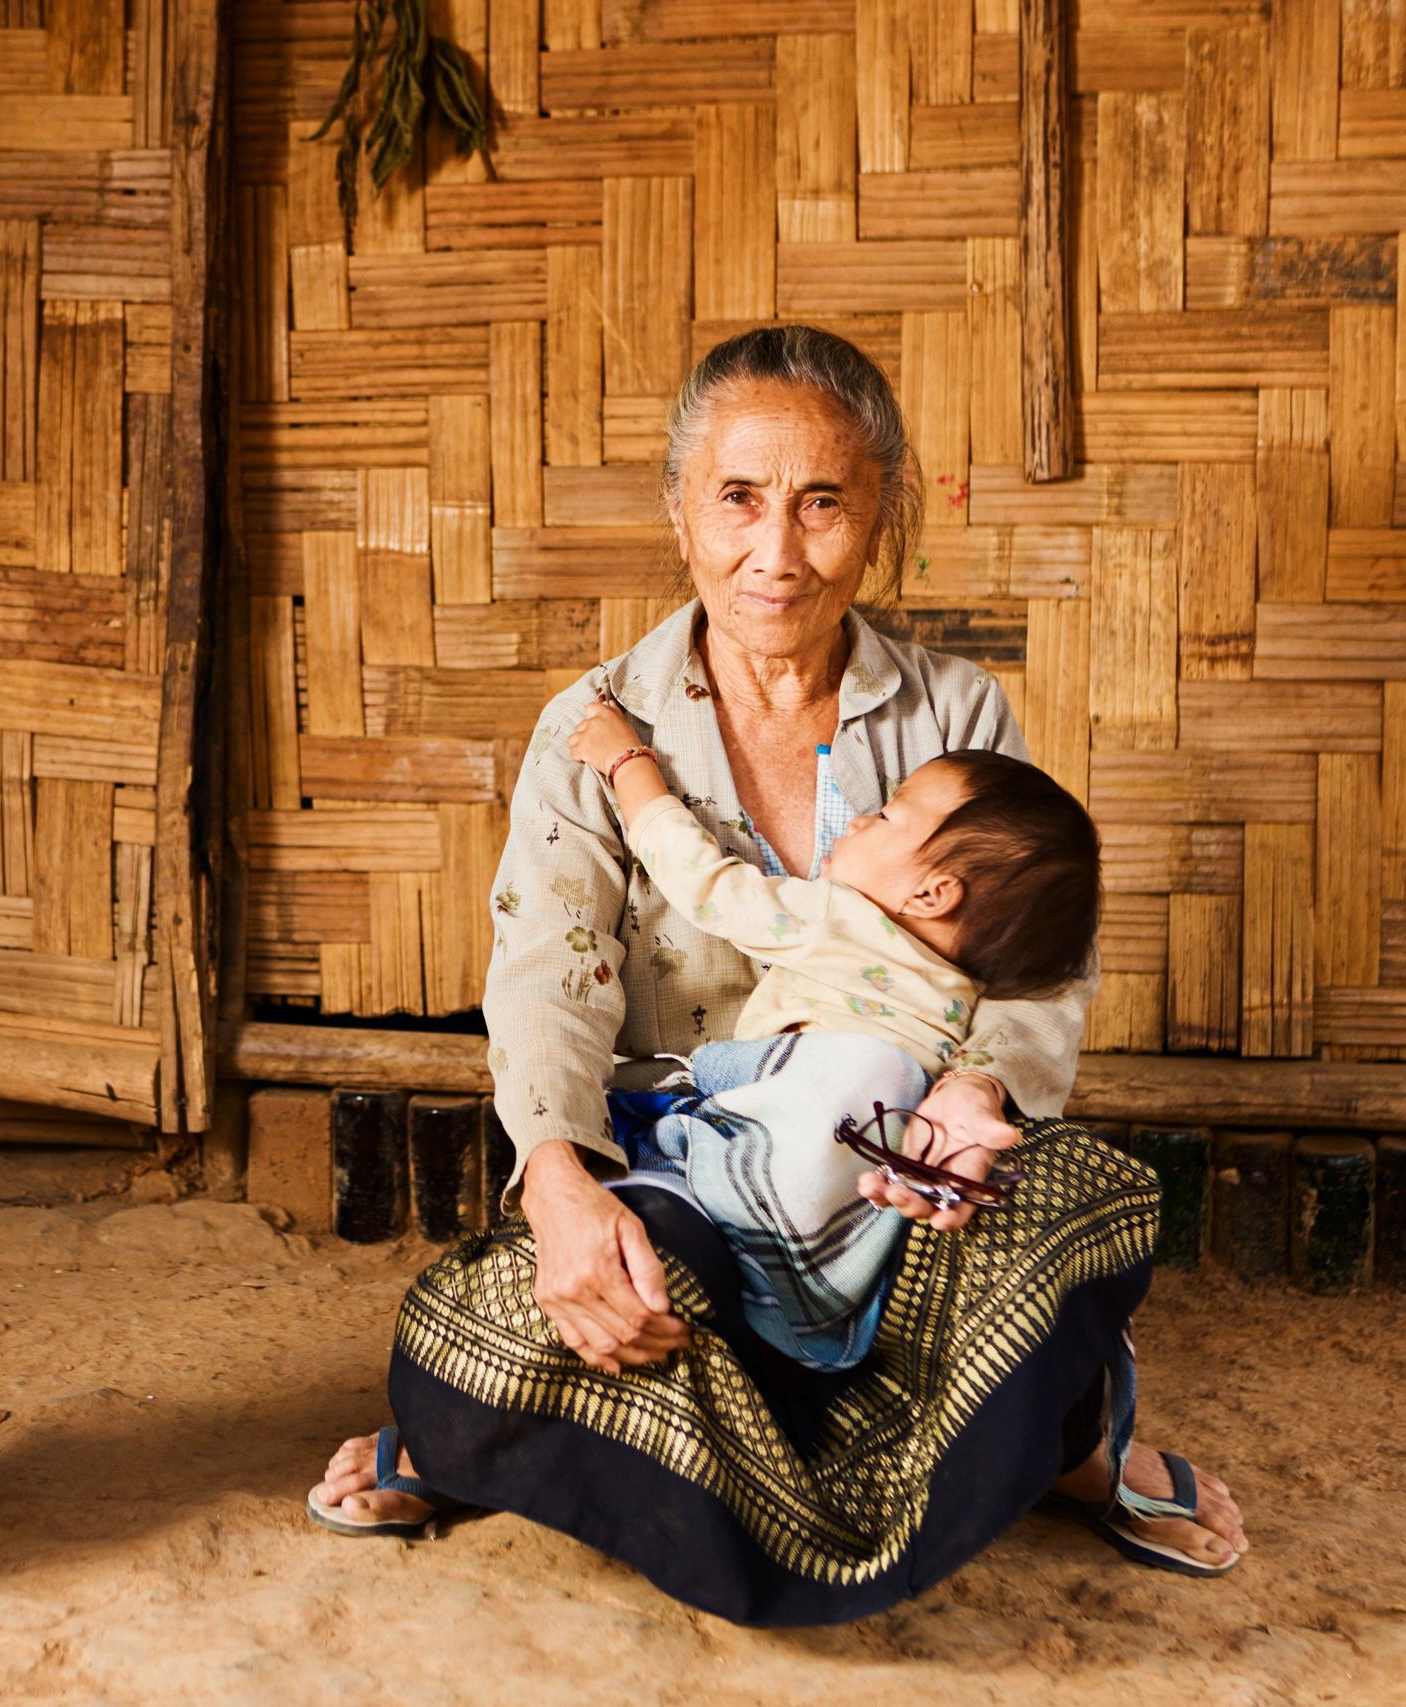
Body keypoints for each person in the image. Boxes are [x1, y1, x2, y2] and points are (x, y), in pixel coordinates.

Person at [308, 325, 1247, 1622]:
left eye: (823, 502)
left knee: (1061, 1206)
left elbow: (1037, 966)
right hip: (688, 1175)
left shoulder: (956, 719)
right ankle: (989, 1445)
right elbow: (548, 968)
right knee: (542, 1303)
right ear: (679, 507)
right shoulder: (599, 726)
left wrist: (981, 1100)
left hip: (892, 1198)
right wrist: (565, 1183)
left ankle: (1034, 1437)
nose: (777, 551)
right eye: (739, 497)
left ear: (877, 513)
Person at [565, 702, 1101, 1370]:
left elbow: (710, 886)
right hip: (850, 1215)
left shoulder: (841, 919)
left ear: (932, 894)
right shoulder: (968, 1004)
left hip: (783, 1136)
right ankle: (804, 1297)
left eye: (886, 815)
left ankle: (697, 1199)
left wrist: (629, 765)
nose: (858, 817)